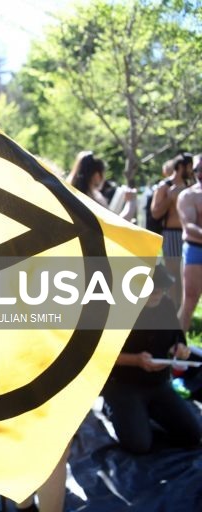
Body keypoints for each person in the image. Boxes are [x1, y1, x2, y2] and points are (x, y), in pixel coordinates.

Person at [101, 264, 201, 453]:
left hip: (158, 383)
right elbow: (101, 353)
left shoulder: (166, 304)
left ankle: (150, 409)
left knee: (192, 434)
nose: (158, 294)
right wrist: (135, 360)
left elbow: (176, 336)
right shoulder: (117, 310)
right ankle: (112, 406)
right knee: (139, 445)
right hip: (123, 384)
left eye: (161, 289)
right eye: (152, 290)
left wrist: (178, 349)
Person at [151, 152, 193, 306]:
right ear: (181, 166)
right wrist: (170, 198)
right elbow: (155, 212)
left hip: (189, 236)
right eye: (190, 166)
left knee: (186, 276)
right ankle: (172, 311)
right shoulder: (165, 186)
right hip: (172, 234)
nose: (193, 170)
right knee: (173, 276)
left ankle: (184, 309)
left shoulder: (191, 187)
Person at [66, 151, 136, 221]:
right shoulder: (94, 200)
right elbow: (115, 225)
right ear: (97, 175)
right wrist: (131, 203)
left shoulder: (67, 193)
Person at [177, 156, 202, 332]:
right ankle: (177, 345)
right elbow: (189, 226)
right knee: (190, 300)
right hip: (195, 250)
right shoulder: (188, 195)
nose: (200, 173)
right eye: (198, 169)